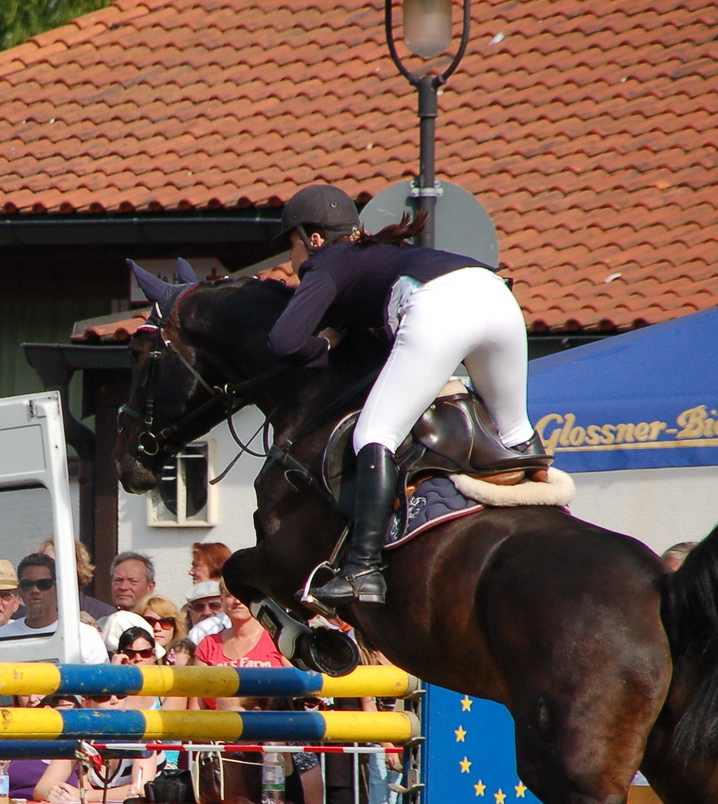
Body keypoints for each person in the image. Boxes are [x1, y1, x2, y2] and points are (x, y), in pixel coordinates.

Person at [266, 184, 541, 605]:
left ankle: (363, 570)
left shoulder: (327, 263)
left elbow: (283, 342)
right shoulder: (381, 256)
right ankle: (547, 517)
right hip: (497, 297)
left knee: (375, 434)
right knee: (515, 431)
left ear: (314, 238)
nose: (291, 262)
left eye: (291, 248)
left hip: (441, 306)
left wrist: (321, 345)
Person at [0, 552, 107, 664]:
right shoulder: (2, 637)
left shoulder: (86, 636)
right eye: (27, 584)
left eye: (44, 584)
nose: (35, 590)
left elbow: (101, 681)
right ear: (19, 590)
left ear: (57, 588)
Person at [39, 538, 114, 619]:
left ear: (77, 567)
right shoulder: (30, 616)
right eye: (45, 562)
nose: (51, 569)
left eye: (58, 563)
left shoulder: (105, 615)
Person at [107, 552, 157, 617]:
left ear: (150, 587)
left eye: (133, 581)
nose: (123, 587)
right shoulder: (103, 624)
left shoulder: (159, 624)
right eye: (118, 580)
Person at [184, 580, 229, 645]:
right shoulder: (192, 635)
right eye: (199, 607)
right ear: (191, 612)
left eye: (214, 605)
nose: (206, 612)